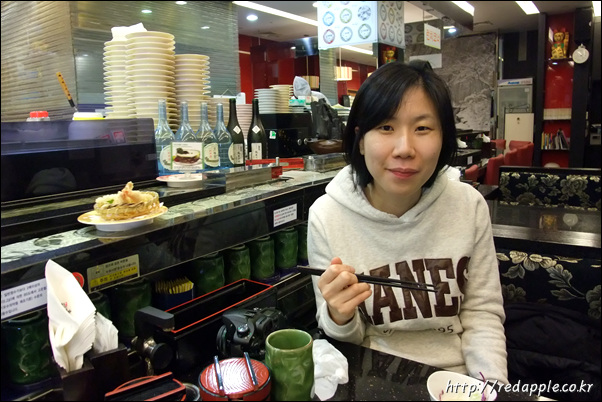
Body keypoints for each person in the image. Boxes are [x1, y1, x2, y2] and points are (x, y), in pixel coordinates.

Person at [307, 60, 508, 384]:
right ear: (360, 139)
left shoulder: (468, 206)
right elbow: (347, 342)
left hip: (456, 381)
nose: (404, 149)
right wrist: (338, 316)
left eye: (422, 128)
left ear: (443, 138)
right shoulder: (327, 216)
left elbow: (482, 315)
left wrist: (491, 387)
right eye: (386, 128)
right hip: (371, 380)